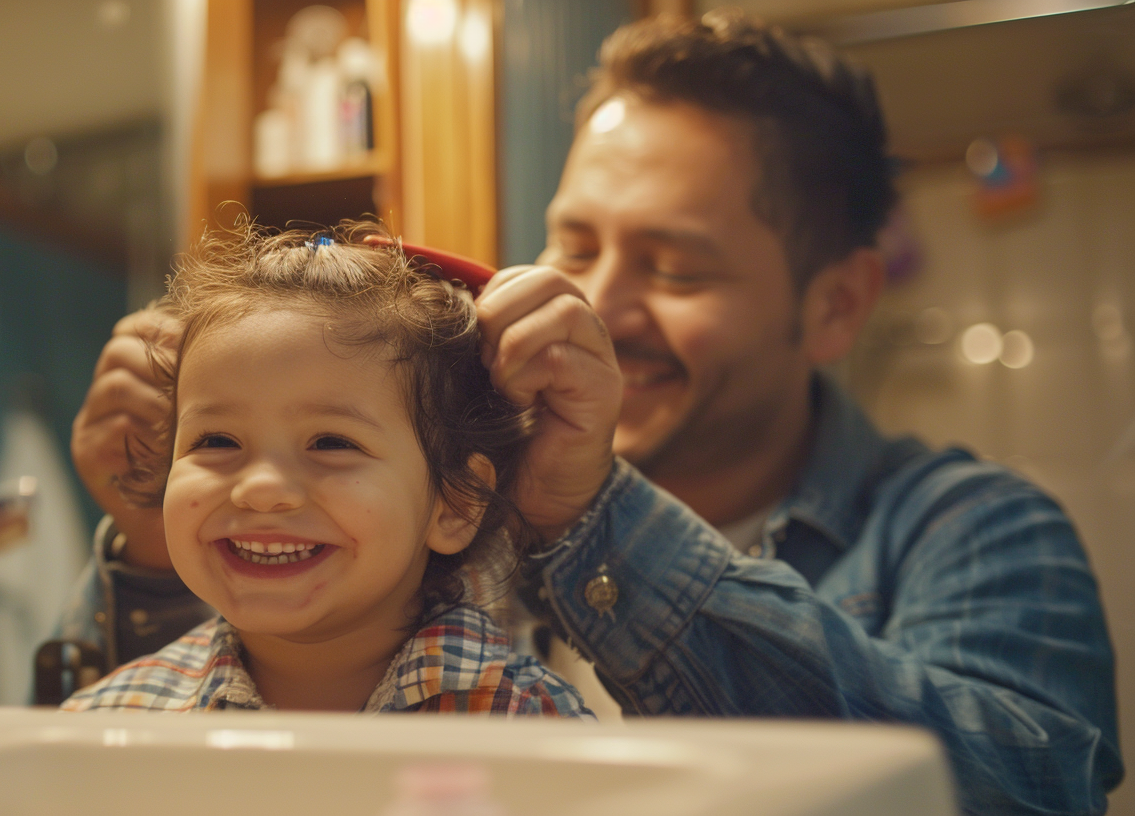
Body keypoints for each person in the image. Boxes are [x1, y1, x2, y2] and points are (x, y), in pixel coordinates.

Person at [59, 10, 1120, 813]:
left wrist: (586, 521)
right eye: (574, 243)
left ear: (836, 300)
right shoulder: (416, 480)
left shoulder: (973, 531)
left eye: (674, 266)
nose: (599, 303)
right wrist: (157, 547)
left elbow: (1019, 792)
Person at [61, 222, 591, 717]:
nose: (262, 489)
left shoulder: (537, 730)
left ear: (456, 502)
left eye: (331, 443)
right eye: (216, 440)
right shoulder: (109, 726)